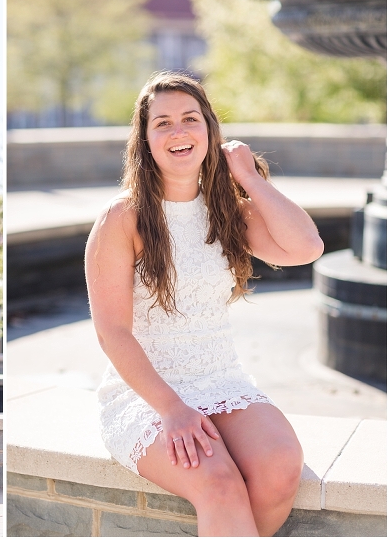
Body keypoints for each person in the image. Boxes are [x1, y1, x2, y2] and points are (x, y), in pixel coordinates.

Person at [86, 71, 323, 536]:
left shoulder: (228, 210)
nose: (179, 132)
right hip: (147, 395)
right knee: (218, 484)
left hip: (222, 379)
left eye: (190, 119)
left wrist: (248, 177)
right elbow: (111, 331)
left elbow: (306, 247)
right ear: (145, 139)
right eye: (163, 123)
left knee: (280, 469)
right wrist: (173, 409)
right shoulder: (122, 217)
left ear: (211, 131)